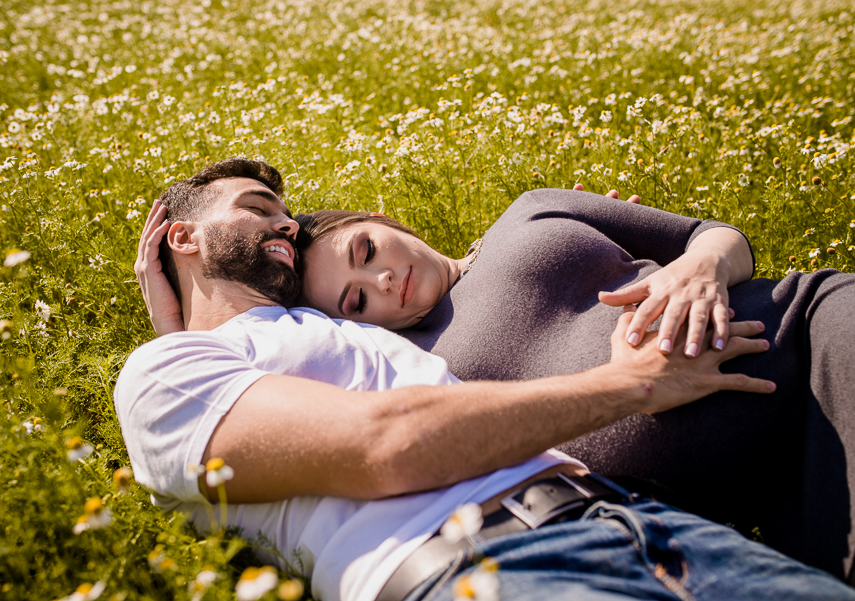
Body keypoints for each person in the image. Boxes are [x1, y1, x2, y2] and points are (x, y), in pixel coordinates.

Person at [120, 157, 854, 601]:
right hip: (487, 567)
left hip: (644, 523)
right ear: (182, 237)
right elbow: (387, 443)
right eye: (258, 211)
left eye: (287, 215)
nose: (285, 226)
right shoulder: (167, 372)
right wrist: (634, 384)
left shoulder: (339, 330)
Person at [288, 191, 855, 581]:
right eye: (357, 300)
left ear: (383, 221)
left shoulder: (527, 212)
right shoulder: (408, 368)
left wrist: (702, 266)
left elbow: (711, 235)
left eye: (365, 251)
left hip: (808, 337)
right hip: (753, 495)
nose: (381, 279)